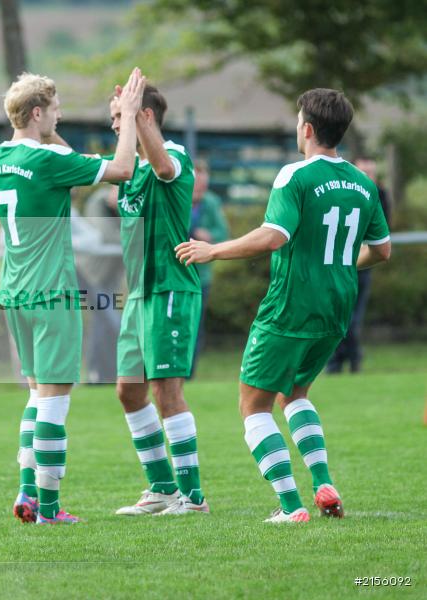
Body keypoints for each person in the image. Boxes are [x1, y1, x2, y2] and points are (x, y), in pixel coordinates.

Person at [176, 88, 391, 523]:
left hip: (291, 306)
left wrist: (213, 251)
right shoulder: (364, 184)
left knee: (253, 406)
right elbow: (382, 250)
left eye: (297, 121)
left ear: (307, 129)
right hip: (335, 308)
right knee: (293, 394)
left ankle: (291, 506)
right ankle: (324, 482)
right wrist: (342, 267)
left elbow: (274, 236)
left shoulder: (295, 176)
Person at [0, 70, 144, 525]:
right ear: (38, 112)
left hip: (13, 290)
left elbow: (59, 158)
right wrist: (129, 116)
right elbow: (123, 170)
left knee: (36, 395)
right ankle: (48, 508)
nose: (59, 117)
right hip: (51, 290)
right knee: (55, 399)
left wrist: (50, 134)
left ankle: (26, 491)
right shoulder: (48, 161)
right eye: (54, 110)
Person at [109, 83, 210, 516]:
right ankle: (162, 488)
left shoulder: (172, 157)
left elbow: (164, 168)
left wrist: (135, 116)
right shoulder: (128, 167)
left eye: (121, 117)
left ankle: (194, 498)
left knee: (167, 391)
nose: (115, 125)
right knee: (129, 391)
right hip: (139, 294)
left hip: (170, 287)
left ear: (145, 116)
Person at [326, 156, 392, 373]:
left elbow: (381, 239)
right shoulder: (339, 193)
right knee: (335, 316)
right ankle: (336, 362)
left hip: (359, 265)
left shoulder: (377, 195)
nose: (367, 177)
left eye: (370, 172)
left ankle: (354, 362)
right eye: (363, 172)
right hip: (336, 264)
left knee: (352, 320)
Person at [77, 186, 124, 384]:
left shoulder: (126, 203)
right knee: (112, 322)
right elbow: (109, 237)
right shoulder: (98, 202)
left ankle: (104, 375)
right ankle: (97, 373)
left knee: (103, 325)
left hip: (109, 276)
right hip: (90, 274)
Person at [189, 159, 230, 375]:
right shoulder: (179, 196)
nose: (200, 190)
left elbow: (223, 234)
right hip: (177, 273)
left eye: (203, 185)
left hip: (201, 276)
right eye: (196, 185)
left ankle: (190, 373)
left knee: (196, 326)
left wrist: (209, 235)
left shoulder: (211, 203)